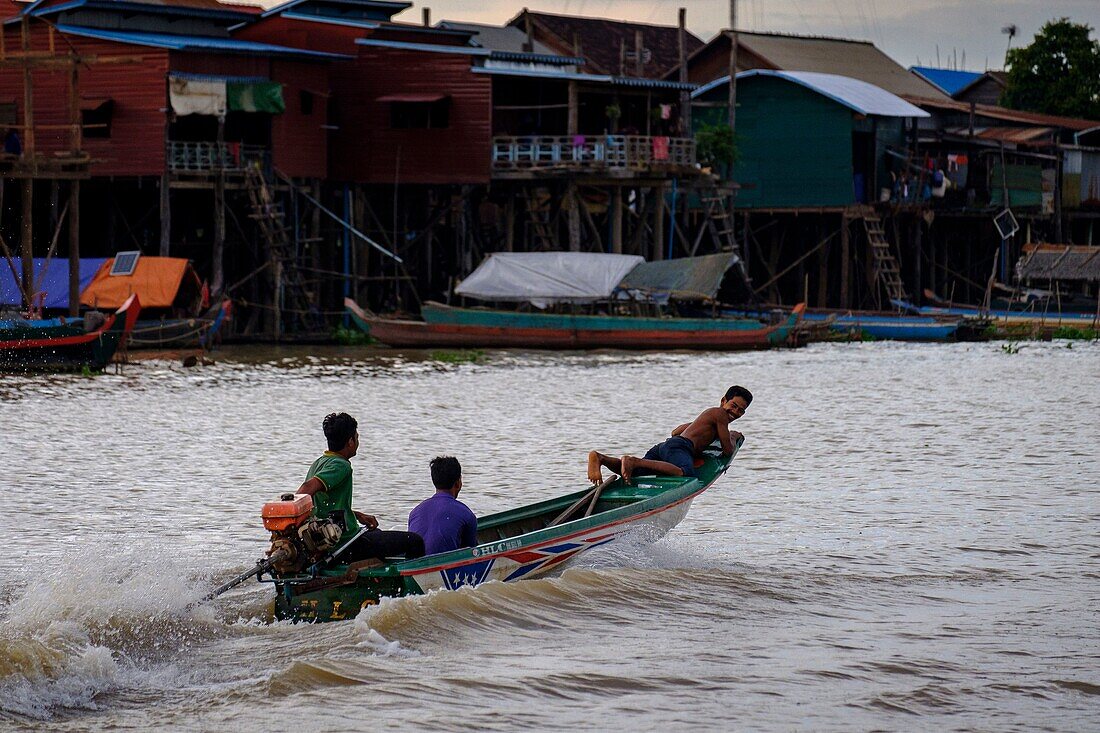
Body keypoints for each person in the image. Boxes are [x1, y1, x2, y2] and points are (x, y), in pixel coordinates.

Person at [297, 412, 424, 563]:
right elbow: (306, 488)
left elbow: (324, 506)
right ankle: (411, 582)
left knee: (376, 533)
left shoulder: (319, 462)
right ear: (350, 441)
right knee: (415, 541)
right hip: (346, 544)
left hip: (336, 541)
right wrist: (291, 511)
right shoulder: (341, 465)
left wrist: (356, 515)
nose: (358, 442)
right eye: (356, 437)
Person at [587, 385, 752, 484]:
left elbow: (675, 432)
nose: (735, 412)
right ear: (723, 400)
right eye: (733, 405)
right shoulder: (720, 414)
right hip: (680, 448)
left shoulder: (709, 419)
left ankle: (601, 458)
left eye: (741, 410)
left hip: (666, 447)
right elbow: (727, 450)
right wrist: (734, 436)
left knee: (636, 473)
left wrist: (698, 428)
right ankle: (633, 461)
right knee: (686, 473)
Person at [408, 456, 478, 556]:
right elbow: (472, 554)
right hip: (446, 566)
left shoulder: (415, 512)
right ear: (458, 483)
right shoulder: (466, 514)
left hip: (414, 566)